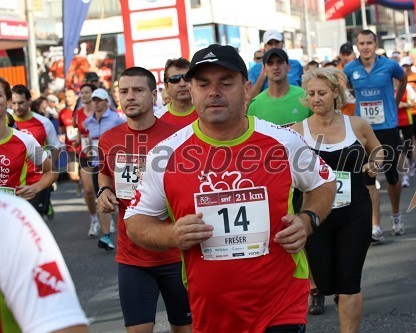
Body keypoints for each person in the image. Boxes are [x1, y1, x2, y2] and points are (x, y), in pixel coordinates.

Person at [124, 44, 336, 333]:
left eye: (226, 83)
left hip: (280, 303)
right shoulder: (166, 154)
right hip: (211, 309)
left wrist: (307, 219)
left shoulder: (282, 142)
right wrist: (172, 234)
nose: (214, 92)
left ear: (247, 89)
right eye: (203, 84)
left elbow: (323, 182)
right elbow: (135, 221)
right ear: (192, 90)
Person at [97, 67, 191, 333]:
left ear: (154, 95)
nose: (130, 97)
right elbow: (105, 175)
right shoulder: (109, 139)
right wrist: (104, 192)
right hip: (132, 257)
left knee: (184, 328)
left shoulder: (178, 138)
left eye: (138, 90)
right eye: (124, 91)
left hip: (177, 254)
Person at [291, 67, 381, 332]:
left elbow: (377, 150)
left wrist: (375, 164)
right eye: (311, 94)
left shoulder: (357, 125)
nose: (316, 98)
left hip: (355, 211)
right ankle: (316, 291)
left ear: (335, 94)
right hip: (314, 215)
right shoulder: (296, 132)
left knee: (350, 282)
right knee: (322, 279)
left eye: (321, 93)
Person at [343, 29, 407, 241]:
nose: (365, 47)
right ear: (356, 46)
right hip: (364, 130)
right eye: (361, 43)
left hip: (387, 127)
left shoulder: (389, 66)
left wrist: (395, 104)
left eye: (369, 43)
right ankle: (375, 225)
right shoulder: (350, 69)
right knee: (369, 178)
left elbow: (403, 79)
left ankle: (396, 215)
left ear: (375, 43)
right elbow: (349, 89)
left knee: (391, 176)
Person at [0, 192, 89, 333]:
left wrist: (37, 187)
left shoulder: (9, 216)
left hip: (28, 202)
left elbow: (65, 327)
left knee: (88, 188)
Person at [0, 77, 57, 199]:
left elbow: (51, 171)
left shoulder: (26, 141)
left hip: (14, 212)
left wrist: (35, 188)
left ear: (9, 101)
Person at [11, 84, 62, 219]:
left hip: (36, 181)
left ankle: (45, 205)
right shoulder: (6, 122)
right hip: (13, 183)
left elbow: (56, 147)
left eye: (21, 103)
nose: (17, 107)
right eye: (14, 103)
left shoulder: (43, 122)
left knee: (34, 221)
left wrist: (51, 170)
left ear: (29, 101)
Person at [85, 88, 126, 250]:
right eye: (94, 100)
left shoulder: (117, 119)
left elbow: (129, 133)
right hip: (98, 165)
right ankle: (106, 236)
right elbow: (89, 139)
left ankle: (133, 233)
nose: (95, 103)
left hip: (118, 165)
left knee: (124, 200)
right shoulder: (89, 121)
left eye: (99, 100)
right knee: (102, 196)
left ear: (106, 102)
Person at [247, 48, 312, 126]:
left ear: (288, 67)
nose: (275, 67)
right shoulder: (255, 105)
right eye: (270, 63)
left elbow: (319, 129)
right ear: (264, 69)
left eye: (280, 62)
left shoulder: (305, 96)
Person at [74, 83, 101, 236]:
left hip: (100, 155)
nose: (84, 95)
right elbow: (78, 132)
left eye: (87, 92)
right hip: (85, 154)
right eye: (82, 93)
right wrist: (77, 141)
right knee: (89, 191)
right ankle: (94, 219)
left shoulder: (100, 110)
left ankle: (107, 217)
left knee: (102, 189)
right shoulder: (78, 113)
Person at [249, 30, 304, 99]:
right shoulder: (255, 69)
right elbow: (250, 98)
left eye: (277, 42)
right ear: (265, 46)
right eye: (270, 43)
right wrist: (262, 75)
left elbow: (304, 90)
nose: (274, 46)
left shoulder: (296, 65)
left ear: (282, 43)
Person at [156, 58, 198, 127]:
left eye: (187, 78)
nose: (182, 84)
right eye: (174, 79)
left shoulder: (208, 113)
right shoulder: (157, 120)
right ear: (166, 86)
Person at [58, 88, 81, 194]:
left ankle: (87, 184)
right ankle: (79, 182)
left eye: (70, 96)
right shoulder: (62, 113)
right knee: (73, 175)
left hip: (84, 148)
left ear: (76, 97)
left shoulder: (81, 111)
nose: (67, 99)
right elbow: (61, 129)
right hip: (70, 148)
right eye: (66, 96)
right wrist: (61, 135)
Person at [336, 43, 357, 117]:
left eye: (348, 54)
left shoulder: (360, 68)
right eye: (343, 54)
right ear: (340, 55)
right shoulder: (335, 71)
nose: (345, 57)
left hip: (361, 113)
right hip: (344, 115)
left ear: (353, 54)